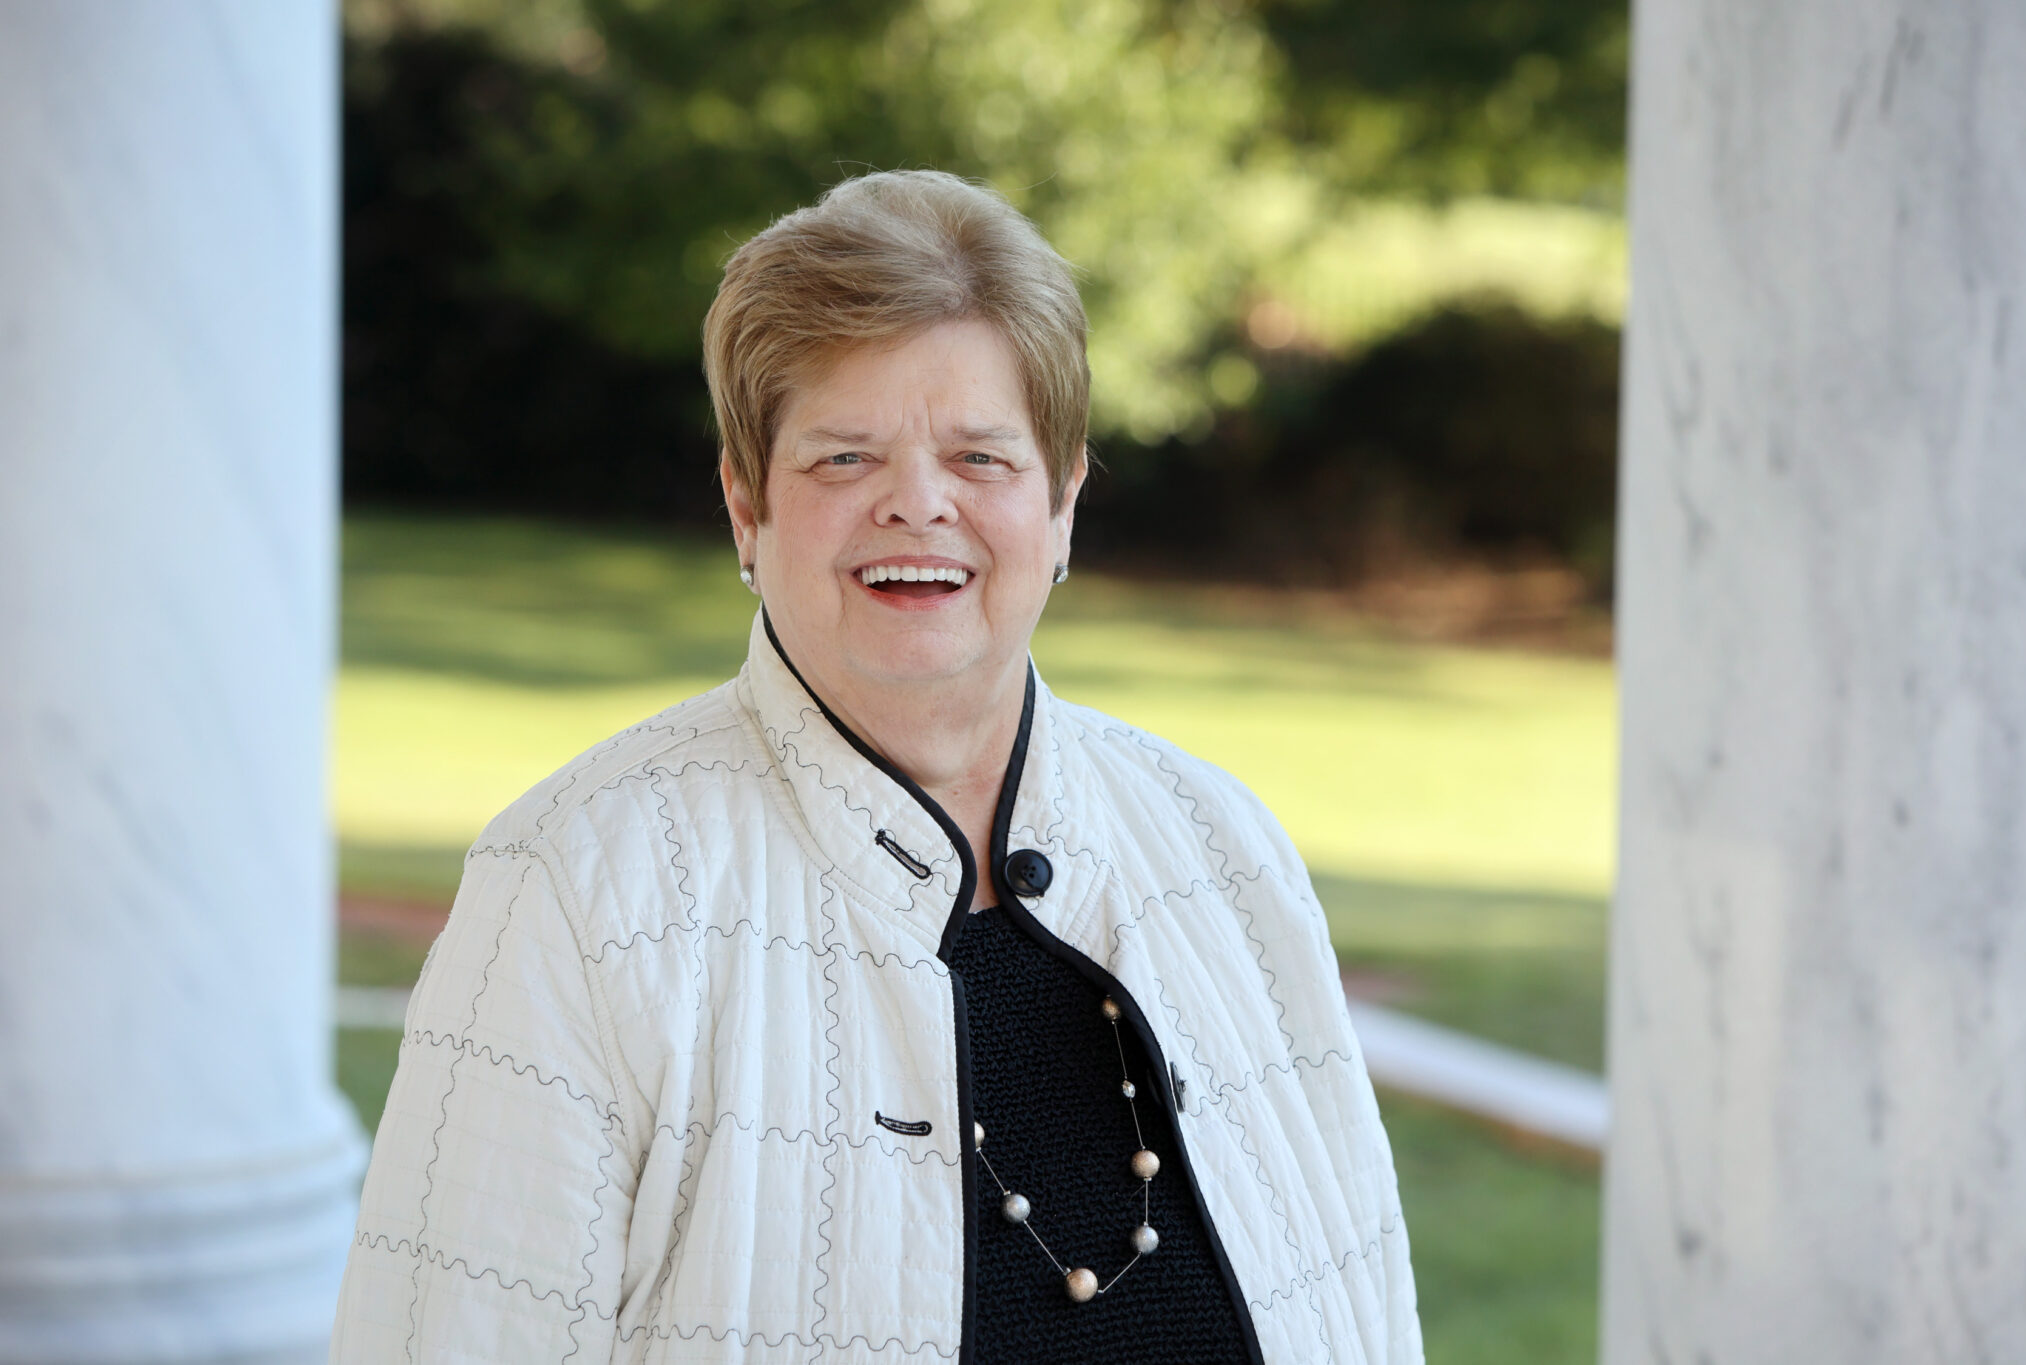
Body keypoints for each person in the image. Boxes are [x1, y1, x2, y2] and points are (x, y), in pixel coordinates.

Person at [331, 170, 1421, 1364]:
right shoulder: (576, 892)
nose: (916, 506)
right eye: (844, 458)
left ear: (1061, 504)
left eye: (980, 459)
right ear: (745, 506)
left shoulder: (1221, 846)